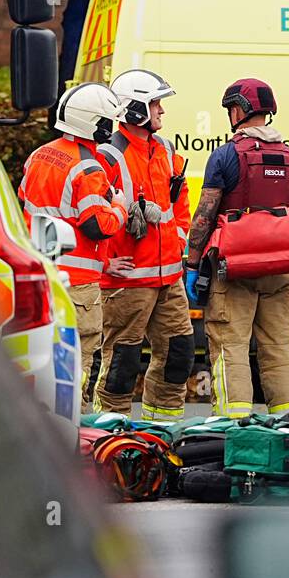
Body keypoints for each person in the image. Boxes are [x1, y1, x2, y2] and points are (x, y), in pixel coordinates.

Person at [184, 78, 289, 417]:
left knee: (230, 347)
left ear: (237, 110)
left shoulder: (225, 156)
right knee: (281, 348)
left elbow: (205, 215)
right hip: (280, 270)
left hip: (233, 268)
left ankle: (233, 424)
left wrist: (193, 264)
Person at [20, 82, 129, 414]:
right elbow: (97, 224)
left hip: (40, 273)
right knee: (81, 357)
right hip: (78, 285)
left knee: (44, 356)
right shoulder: (89, 168)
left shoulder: (40, 155)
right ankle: (74, 424)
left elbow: (25, 201)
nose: (110, 128)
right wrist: (121, 209)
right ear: (92, 123)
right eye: (106, 121)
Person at [93, 69, 195, 420]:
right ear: (135, 109)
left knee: (179, 355)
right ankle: (110, 436)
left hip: (169, 278)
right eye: (155, 104)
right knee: (121, 365)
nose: (162, 111)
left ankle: (162, 430)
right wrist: (106, 263)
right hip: (128, 282)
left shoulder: (165, 150)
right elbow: (89, 215)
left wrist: (178, 242)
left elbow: (180, 204)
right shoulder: (109, 155)